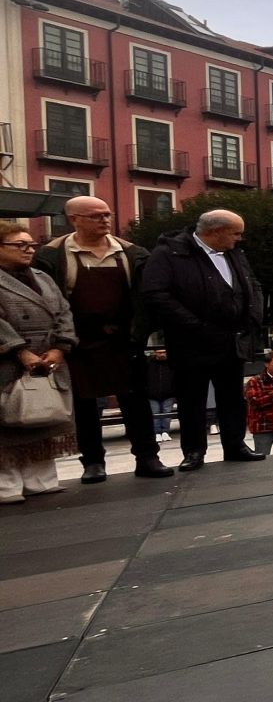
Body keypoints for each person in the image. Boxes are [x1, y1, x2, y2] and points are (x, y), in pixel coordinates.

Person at [31, 197, 172, 481]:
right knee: (84, 406)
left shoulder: (131, 253)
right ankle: (92, 462)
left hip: (123, 340)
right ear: (75, 219)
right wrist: (62, 340)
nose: (104, 220)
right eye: (96, 216)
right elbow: (47, 300)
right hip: (78, 341)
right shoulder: (53, 255)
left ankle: (147, 457)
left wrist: (137, 334)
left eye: (107, 214)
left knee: (136, 401)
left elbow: (145, 301)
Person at [138, 209, 266, 470]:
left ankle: (235, 444)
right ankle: (194, 451)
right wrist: (194, 324)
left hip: (231, 338)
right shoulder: (169, 253)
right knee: (191, 398)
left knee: (232, 396)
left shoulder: (234, 253)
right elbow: (156, 294)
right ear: (215, 232)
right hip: (191, 341)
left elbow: (252, 284)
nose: (239, 239)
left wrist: (253, 315)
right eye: (235, 233)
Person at [0, 223, 78, 504]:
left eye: (31, 244)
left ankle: (40, 480)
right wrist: (20, 351)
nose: (28, 250)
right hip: (8, 362)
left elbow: (64, 312)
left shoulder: (42, 277)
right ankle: (6, 485)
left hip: (48, 357)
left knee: (45, 417)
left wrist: (61, 346)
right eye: (19, 245)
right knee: (9, 421)